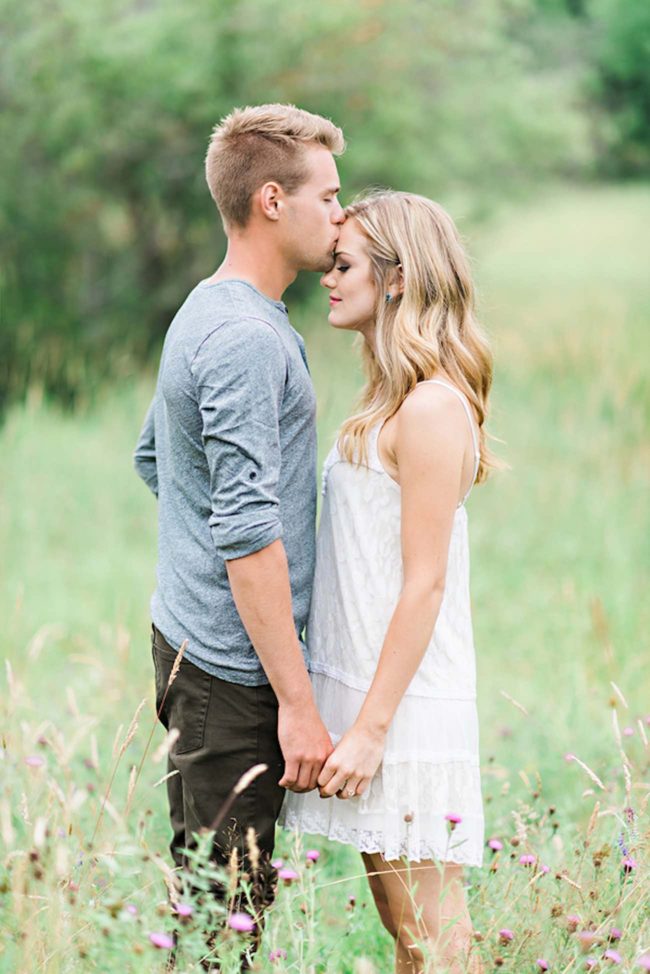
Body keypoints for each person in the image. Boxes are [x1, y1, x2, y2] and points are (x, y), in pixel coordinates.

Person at [133, 104, 345, 956]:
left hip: (200, 651)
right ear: (270, 200)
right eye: (327, 196)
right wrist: (297, 704)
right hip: (230, 672)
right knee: (226, 929)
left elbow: (156, 457)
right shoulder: (244, 339)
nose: (341, 213)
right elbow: (249, 531)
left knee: (211, 912)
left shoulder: (210, 309)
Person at [280, 190, 493, 973]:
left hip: (403, 711)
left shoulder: (434, 407)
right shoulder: (391, 399)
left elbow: (425, 585)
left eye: (344, 266)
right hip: (371, 696)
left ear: (397, 278)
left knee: (434, 942)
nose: (328, 279)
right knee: (407, 939)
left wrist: (369, 729)